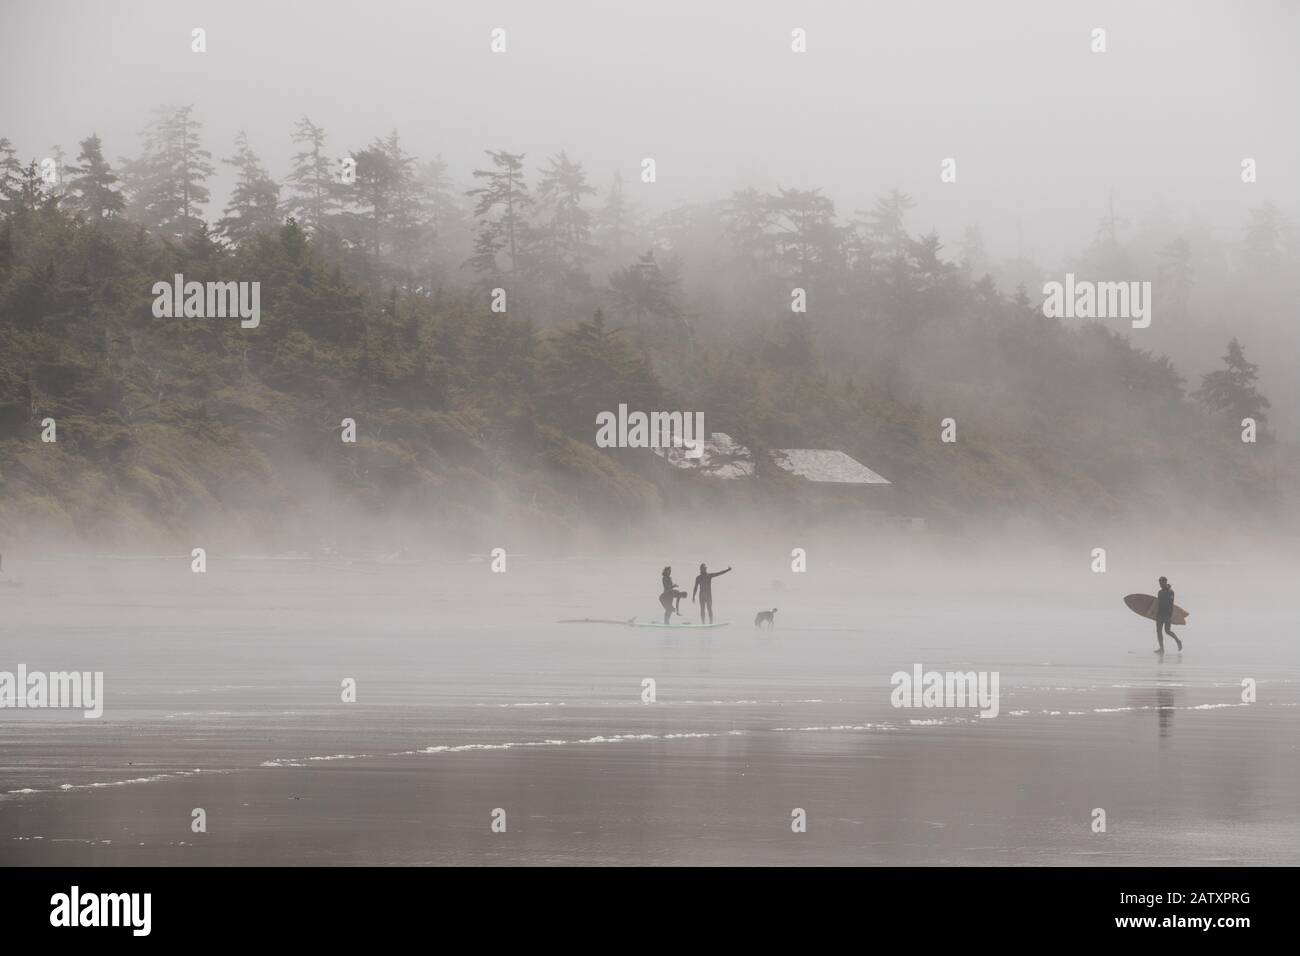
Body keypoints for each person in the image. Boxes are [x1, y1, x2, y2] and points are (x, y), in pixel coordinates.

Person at [1155, 576, 1182, 653]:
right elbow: (1158, 604)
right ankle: (1161, 649)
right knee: (1159, 631)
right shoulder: (1159, 592)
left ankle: (1178, 641)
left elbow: (1171, 604)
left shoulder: (1171, 592)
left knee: (1167, 631)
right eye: (1159, 583)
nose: (1160, 584)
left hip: (1167, 614)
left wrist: (1170, 615)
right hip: (1159, 615)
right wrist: (1156, 614)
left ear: (1165, 582)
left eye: (1161, 583)